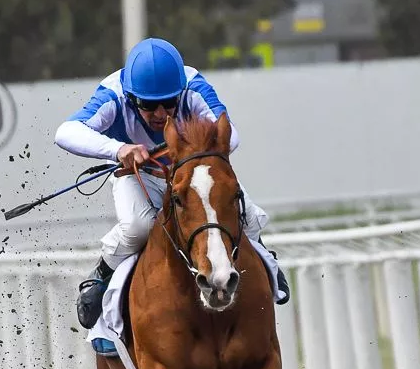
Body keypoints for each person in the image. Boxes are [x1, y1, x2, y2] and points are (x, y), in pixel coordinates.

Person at [54, 37, 290, 329]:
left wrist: (188, 149)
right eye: (148, 105)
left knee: (246, 214)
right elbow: (66, 132)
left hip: (191, 173)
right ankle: (102, 274)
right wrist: (119, 149)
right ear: (131, 97)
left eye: (169, 103)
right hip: (138, 176)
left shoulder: (193, 86)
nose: (160, 114)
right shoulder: (113, 95)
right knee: (137, 227)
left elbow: (231, 135)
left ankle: (267, 262)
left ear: (179, 92)